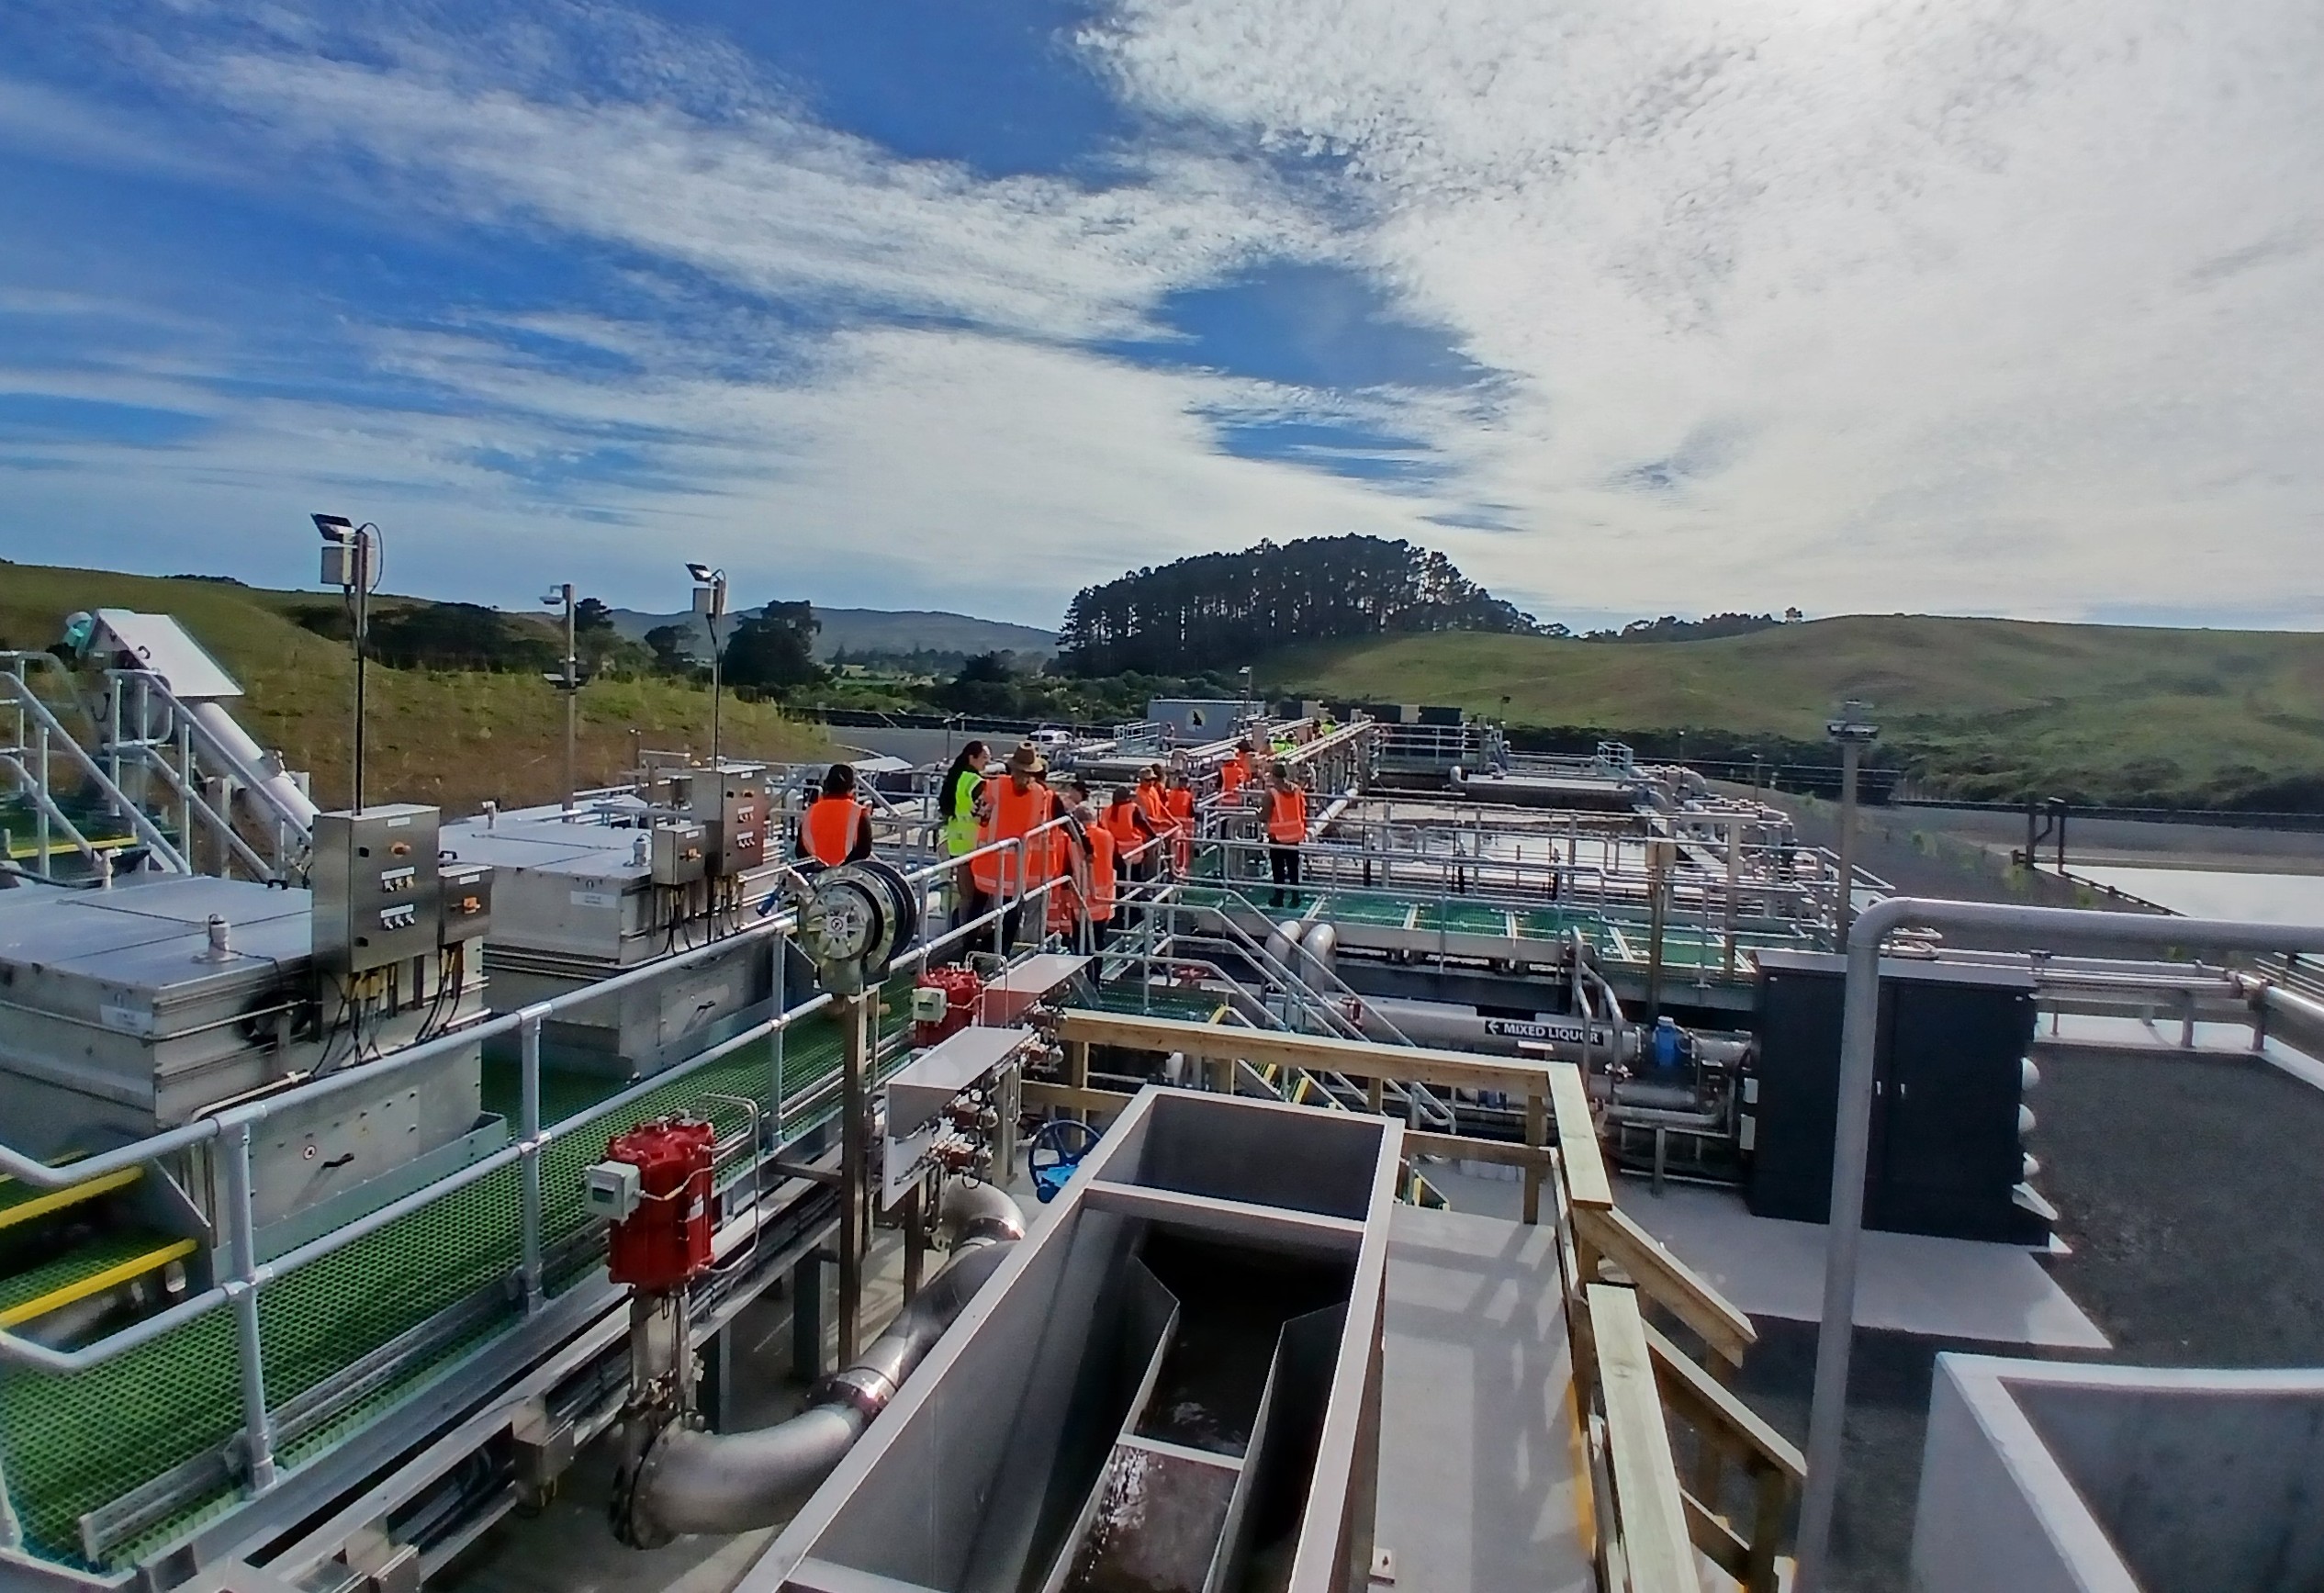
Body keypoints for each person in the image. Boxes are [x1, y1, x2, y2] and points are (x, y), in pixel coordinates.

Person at [971, 742, 1061, 948]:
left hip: (987, 863)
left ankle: (969, 952)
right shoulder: (1042, 795)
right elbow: (1042, 828)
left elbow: (977, 815)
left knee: (977, 914)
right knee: (1011, 916)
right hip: (1018, 868)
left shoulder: (992, 786)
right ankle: (999, 956)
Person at [939, 740, 991, 926]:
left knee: (965, 896)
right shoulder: (976, 782)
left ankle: (959, 932)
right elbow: (985, 813)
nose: (987, 763)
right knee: (975, 897)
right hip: (974, 845)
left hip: (957, 842)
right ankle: (968, 935)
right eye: (985, 758)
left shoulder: (956, 777)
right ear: (972, 757)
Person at [797, 763, 873, 867]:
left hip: (815, 874)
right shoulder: (859, 813)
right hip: (847, 875)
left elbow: (800, 851)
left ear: (826, 785)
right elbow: (864, 851)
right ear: (852, 789)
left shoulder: (810, 812)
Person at [1263, 759, 1308, 908]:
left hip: (1278, 837)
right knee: (1293, 867)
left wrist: (1257, 813)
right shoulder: (1297, 790)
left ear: (1274, 776)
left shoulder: (1272, 793)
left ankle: (1279, 897)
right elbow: (1303, 810)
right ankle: (1296, 897)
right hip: (1294, 835)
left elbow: (1264, 815)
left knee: (1278, 868)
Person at [1162, 768, 1195, 875]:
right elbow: (1191, 812)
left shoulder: (1170, 794)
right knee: (1183, 851)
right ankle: (1182, 870)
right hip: (1184, 827)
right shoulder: (1188, 795)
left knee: (1171, 849)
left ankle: (1171, 870)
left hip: (1171, 825)